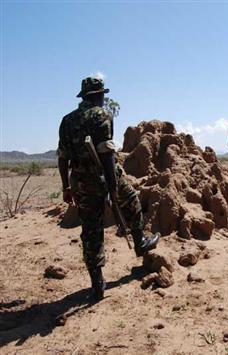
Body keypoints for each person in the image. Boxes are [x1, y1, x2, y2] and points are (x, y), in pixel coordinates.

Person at [57, 77, 160, 301]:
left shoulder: (67, 121)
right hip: (102, 175)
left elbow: (62, 157)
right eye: (102, 94)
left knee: (91, 229)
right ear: (98, 95)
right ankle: (140, 241)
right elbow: (106, 153)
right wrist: (112, 187)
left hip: (80, 181)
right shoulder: (101, 116)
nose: (104, 98)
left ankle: (97, 283)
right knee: (131, 198)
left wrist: (66, 186)